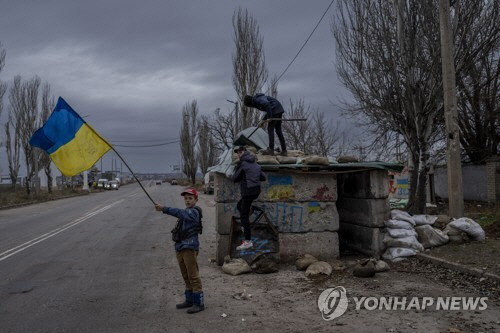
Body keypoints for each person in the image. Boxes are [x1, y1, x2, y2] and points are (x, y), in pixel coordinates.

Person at [155, 188, 205, 314]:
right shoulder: (187, 210)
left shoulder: (194, 212)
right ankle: (189, 300)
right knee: (185, 275)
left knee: (193, 275)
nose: (187, 201)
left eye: (190, 198)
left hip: (189, 247)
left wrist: (164, 209)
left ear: (196, 200)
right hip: (181, 247)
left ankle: (199, 302)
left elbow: (180, 213)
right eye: (186, 198)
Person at [231, 146, 267, 250]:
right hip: (256, 191)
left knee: (244, 215)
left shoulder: (242, 164)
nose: (238, 154)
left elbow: (235, 178)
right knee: (240, 205)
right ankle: (244, 226)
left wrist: (232, 173)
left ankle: (248, 241)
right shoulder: (255, 164)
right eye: (237, 152)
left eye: (239, 152)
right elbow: (263, 177)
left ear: (243, 152)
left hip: (248, 191)